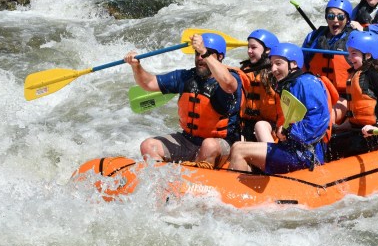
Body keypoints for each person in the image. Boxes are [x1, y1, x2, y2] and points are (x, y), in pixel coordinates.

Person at [124, 33, 243, 165]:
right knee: (148, 145)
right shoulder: (186, 77)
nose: (200, 58)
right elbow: (149, 83)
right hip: (188, 141)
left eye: (204, 54)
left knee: (209, 145)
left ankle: (196, 178)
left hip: (221, 143)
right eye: (197, 54)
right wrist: (136, 67)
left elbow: (228, 83)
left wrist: (204, 51)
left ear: (220, 57)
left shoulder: (231, 78)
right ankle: (162, 182)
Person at [229, 43, 332, 174]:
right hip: (292, 149)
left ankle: (233, 193)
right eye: (271, 64)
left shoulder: (307, 83)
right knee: (238, 146)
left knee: (239, 150)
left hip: (306, 155)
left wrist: (288, 131)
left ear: (293, 64)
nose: (273, 69)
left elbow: (317, 123)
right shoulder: (290, 84)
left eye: (278, 63)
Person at [328, 31, 378, 160]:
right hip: (359, 131)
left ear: (368, 55)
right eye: (349, 53)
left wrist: (377, 127)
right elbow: (357, 111)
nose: (349, 58)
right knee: (330, 146)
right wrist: (340, 127)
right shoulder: (356, 74)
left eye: (354, 54)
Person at [301, 0, 356, 99]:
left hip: (343, 95)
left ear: (348, 19)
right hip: (315, 91)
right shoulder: (313, 37)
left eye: (340, 17)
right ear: (326, 18)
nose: (335, 20)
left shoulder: (355, 39)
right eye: (331, 16)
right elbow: (302, 63)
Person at [238, 29, 281, 143]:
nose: (249, 51)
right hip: (246, 126)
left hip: (270, 128)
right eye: (248, 47)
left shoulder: (275, 74)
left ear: (267, 50)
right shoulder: (245, 71)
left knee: (260, 126)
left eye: (253, 47)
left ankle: (272, 158)